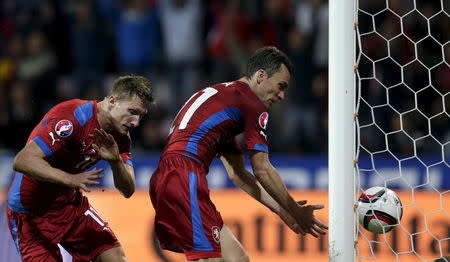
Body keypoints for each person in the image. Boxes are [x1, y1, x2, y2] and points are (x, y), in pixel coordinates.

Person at [149, 46, 328, 261]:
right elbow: (262, 169)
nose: (281, 95)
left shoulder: (224, 98)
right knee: (210, 259)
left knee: (237, 259)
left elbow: (239, 174)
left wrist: (282, 211)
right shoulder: (252, 103)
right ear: (260, 76)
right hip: (184, 175)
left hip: (167, 175)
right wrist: (297, 212)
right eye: (281, 86)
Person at [6, 75, 154, 262]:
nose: (136, 122)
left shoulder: (121, 136)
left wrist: (115, 161)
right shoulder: (72, 116)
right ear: (112, 101)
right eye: (132, 111)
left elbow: (128, 190)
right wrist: (70, 179)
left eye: (141, 115)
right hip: (29, 213)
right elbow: (23, 160)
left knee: (117, 259)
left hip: (69, 207)